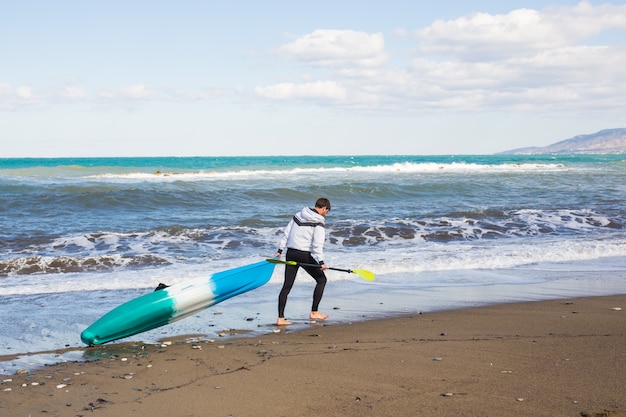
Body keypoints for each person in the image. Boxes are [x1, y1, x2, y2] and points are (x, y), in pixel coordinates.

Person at [274, 198, 331, 325]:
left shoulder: (298, 215)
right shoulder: (319, 221)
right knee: (322, 280)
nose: (325, 214)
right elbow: (318, 244)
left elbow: (286, 233)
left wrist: (280, 250)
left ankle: (280, 318)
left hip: (291, 253)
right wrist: (321, 262)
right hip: (303, 255)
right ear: (324, 208)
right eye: (326, 212)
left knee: (287, 286)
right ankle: (314, 312)